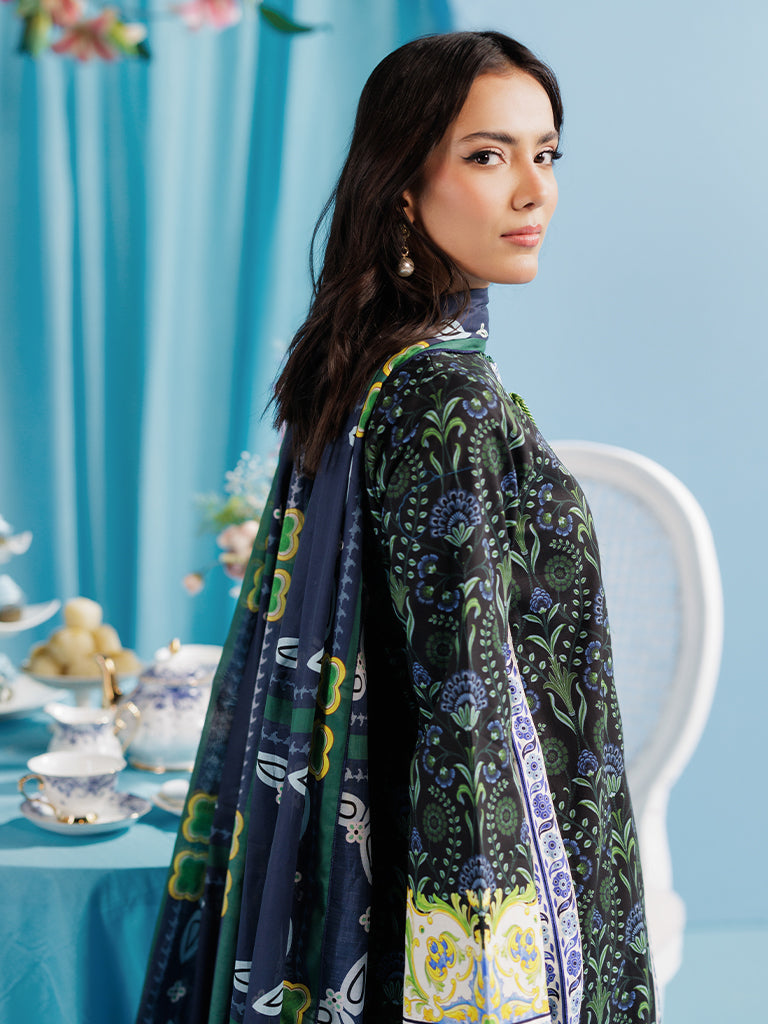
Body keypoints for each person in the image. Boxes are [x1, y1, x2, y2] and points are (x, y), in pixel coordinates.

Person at [136, 31, 657, 1024]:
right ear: (403, 189)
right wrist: (491, 978)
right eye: (488, 155)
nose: (534, 192)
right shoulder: (444, 401)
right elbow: (466, 718)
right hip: (472, 888)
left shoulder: (368, 368)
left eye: (546, 154)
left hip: (371, 869)